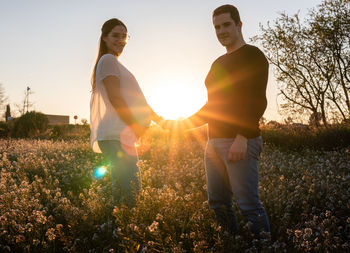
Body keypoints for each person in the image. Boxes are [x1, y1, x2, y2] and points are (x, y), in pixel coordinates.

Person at [164, 4, 270, 238]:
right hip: (214, 143)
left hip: (240, 141)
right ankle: (233, 243)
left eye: (226, 25)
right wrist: (177, 124)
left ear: (239, 25)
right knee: (218, 203)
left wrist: (242, 138)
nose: (221, 31)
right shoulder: (217, 63)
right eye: (216, 27)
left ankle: (266, 245)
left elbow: (257, 100)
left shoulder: (253, 55)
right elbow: (212, 108)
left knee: (248, 206)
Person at [90, 18, 161, 206]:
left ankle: (119, 226)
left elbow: (137, 100)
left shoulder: (113, 62)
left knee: (124, 184)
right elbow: (116, 98)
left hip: (118, 134)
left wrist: (159, 120)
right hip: (116, 134)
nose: (121, 40)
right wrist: (135, 125)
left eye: (124, 36)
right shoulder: (107, 60)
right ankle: (126, 226)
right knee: (130, 186)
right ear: (104, 38)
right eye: (115, 35)